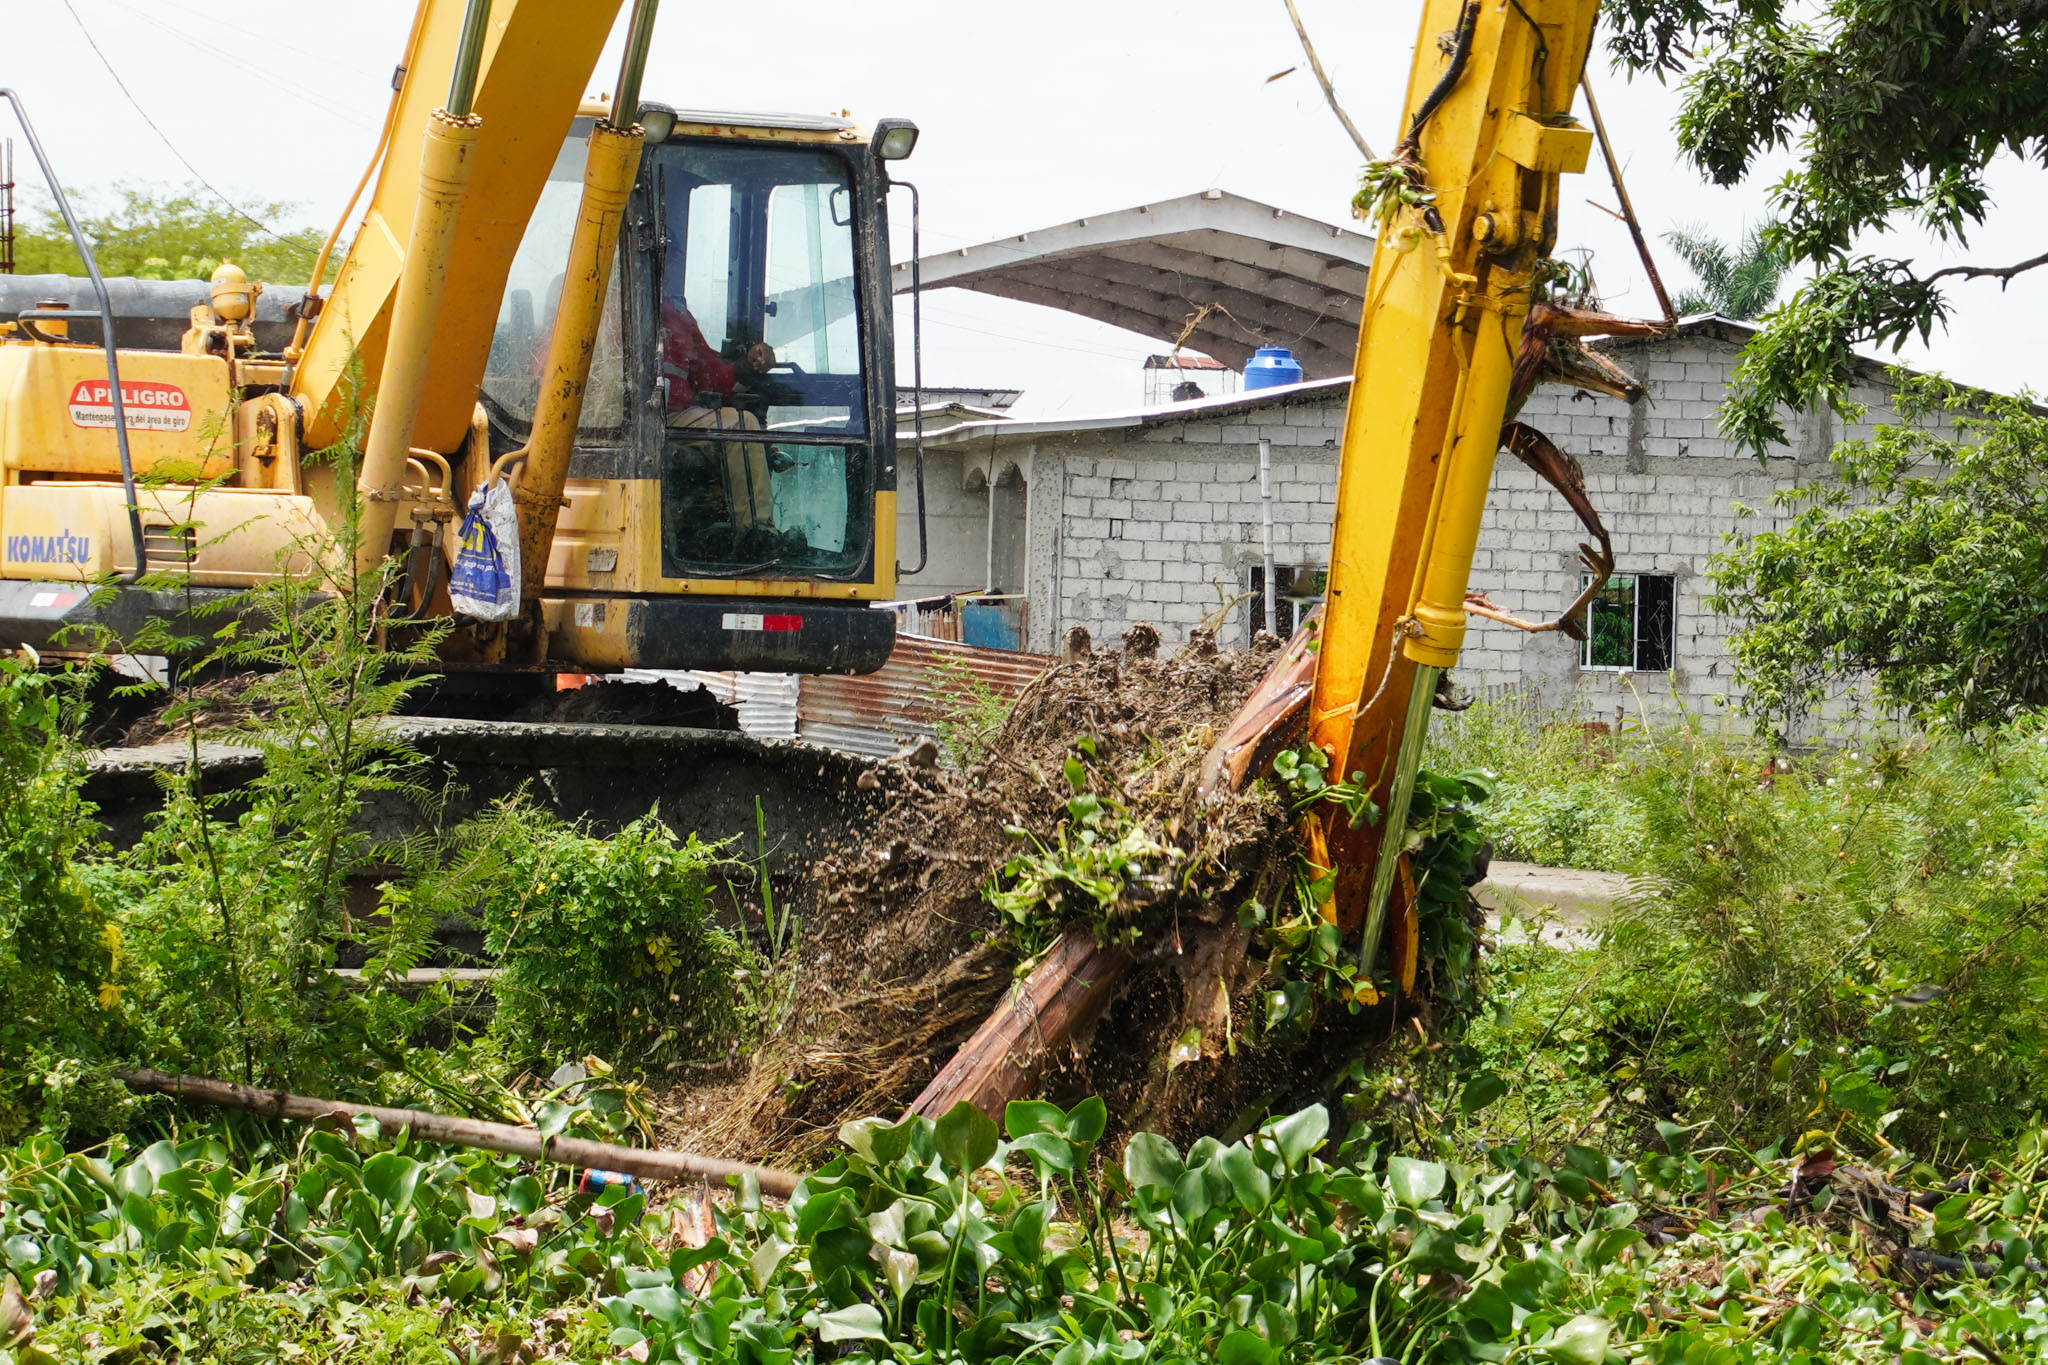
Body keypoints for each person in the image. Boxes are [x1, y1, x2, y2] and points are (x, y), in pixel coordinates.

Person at [660, 297, 779, 532]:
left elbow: (708, 375)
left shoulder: (678, 315)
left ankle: (750, 533)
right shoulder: (613, 302)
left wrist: (746, 366)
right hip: (642, 420)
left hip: (675, 414)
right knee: (740, 426)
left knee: (741, 424)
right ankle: (756, 533)